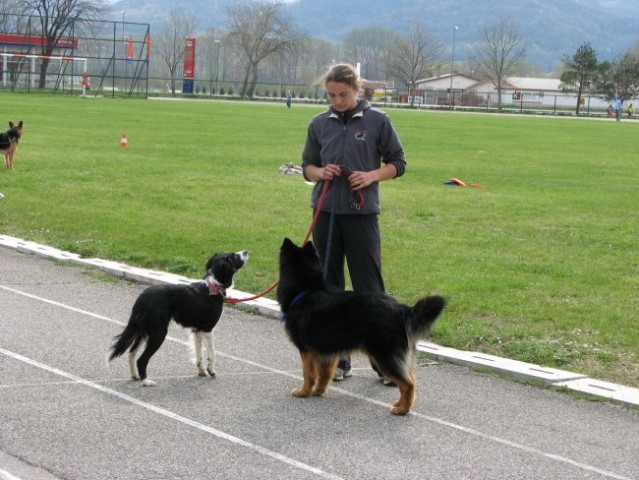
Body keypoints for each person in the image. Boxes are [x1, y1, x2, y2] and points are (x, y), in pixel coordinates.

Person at [301, 63, 407, 382]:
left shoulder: (378, 121)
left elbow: (398, 163)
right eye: (331, 95)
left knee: (370, 291)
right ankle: (338, 360)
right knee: (329, 289)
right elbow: (308, 165)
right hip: (326, 214)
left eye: (343, 94)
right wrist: (321, 173)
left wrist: (372, 175)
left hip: (361, 216)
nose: (337, 101)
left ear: (357, 90)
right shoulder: (318, 123)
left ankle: (387, 364)